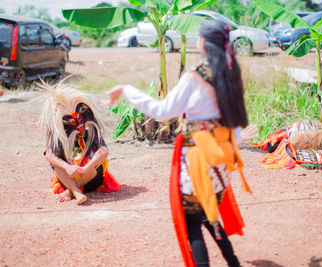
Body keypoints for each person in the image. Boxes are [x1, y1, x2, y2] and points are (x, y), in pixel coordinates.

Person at [106, 20, 256, 267]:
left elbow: (162, 111)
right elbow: (232, 122)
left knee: (192, 223)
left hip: (197, 162)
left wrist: (126, 89)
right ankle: (234, 262)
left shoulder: (195, 77)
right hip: (222, 162)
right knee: (209, 213)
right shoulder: (230, 74)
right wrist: (238, 139)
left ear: (204, 43)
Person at [39, 82, 120, 205]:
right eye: (73, 122)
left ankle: (71, 192)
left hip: (91, 180)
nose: (79, 126)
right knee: (58, 168)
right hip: (67, 178)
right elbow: (49, 155)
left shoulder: (90, 132)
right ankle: (76, 192)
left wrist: (85, 168)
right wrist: (68, 167)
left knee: (93, 169)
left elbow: (104, 151)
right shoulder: (59, 136)